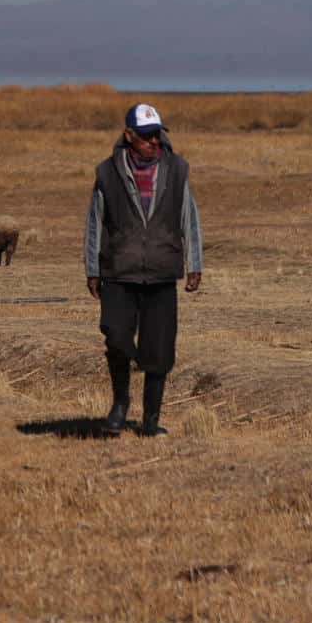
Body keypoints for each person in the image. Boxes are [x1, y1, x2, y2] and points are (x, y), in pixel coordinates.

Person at [83, 102, 202, 436]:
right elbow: (95, 223)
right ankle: (120, 404)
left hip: (162, 271)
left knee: (160, 349)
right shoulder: (107, 173)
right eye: (147, 136)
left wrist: (195, 264)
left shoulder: (177, 170)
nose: (154, 142)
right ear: (129, 135)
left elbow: (188, 219)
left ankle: (150, 420)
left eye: (158, 136)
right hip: (120, 271)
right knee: (116, 336)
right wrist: (93, 268)